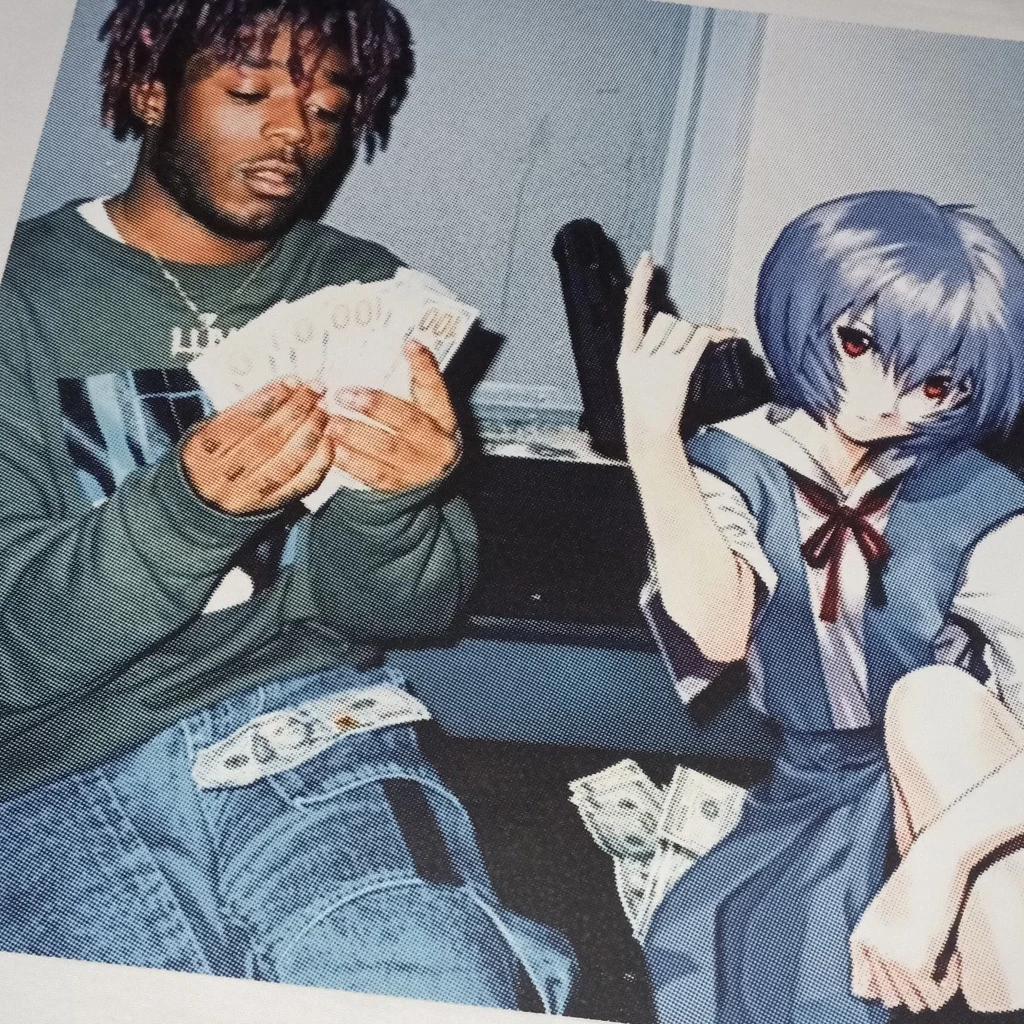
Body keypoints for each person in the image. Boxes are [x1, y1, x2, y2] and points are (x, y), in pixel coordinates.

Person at [0, 0, 574, 1012]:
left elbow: (409, 614)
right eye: (249, 90)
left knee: (434, 987)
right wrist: (186, 511)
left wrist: (396, 505)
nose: (292, 134)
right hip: (53, 762)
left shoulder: (365, 285)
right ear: (149, 92)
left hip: (313, 716)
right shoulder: (22, 293)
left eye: (326, 108)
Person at [620, 191, 1024, 1022]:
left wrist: (941, 860)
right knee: (733, 950)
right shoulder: (738, 461)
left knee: (934, 706)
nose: (885, 399)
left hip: (971, 792)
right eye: (859, 344)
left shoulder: (976, 495)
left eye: (936, 383)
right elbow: (719, 631)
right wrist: (653, 443)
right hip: (813, 790)